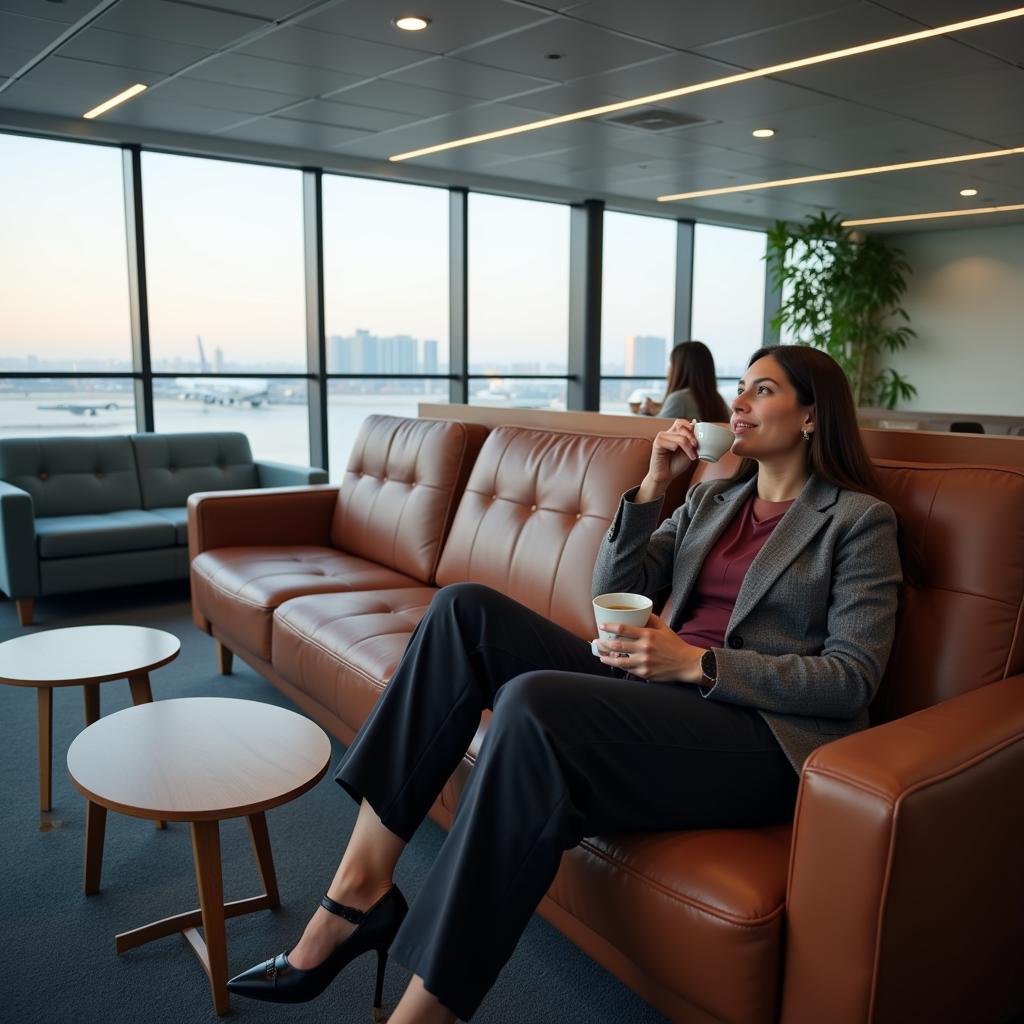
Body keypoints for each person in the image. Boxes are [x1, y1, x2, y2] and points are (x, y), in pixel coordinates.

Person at [227, 345, 902, 1024]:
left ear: (812, 416)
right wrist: (650, 487)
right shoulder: (710, 499)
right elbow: (612, 592)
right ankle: (358, 891)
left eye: (763, 391)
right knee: (464, 611)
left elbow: (851, 678)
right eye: (740, 389)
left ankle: (421, 1016)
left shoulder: (856, 522)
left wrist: (696, 665)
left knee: (534, 704)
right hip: (656, 692)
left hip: (752, 734)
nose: (739, 404)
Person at [638, 340, 731, 421]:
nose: (669, 368)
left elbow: (653, 433)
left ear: (679, 369)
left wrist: (645, 412)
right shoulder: (720, 402)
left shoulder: (679, 399)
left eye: (671, 363)